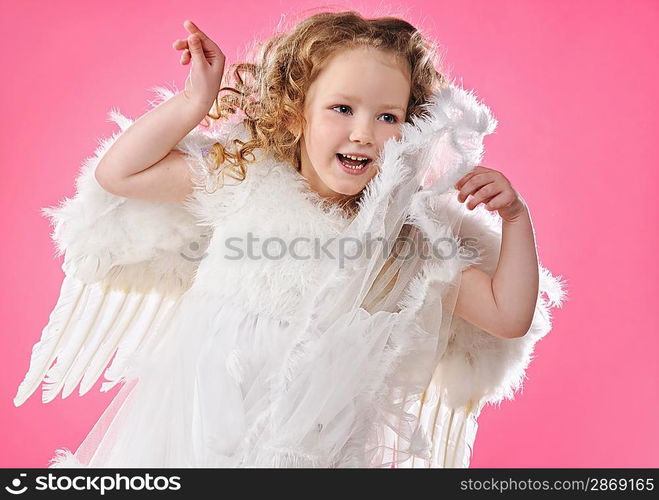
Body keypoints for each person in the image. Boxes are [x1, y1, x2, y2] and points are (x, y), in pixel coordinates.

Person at [14, 11, 566, 468]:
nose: (362, 132)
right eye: (342, 108)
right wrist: (192, 103)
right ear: (297, 111)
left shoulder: (401, 244)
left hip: (319, 453)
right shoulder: (247, 180)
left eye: (388, 117)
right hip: (196, 431)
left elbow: (505, 314)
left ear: (414, 129)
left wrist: (516, 219)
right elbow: (120, 175)